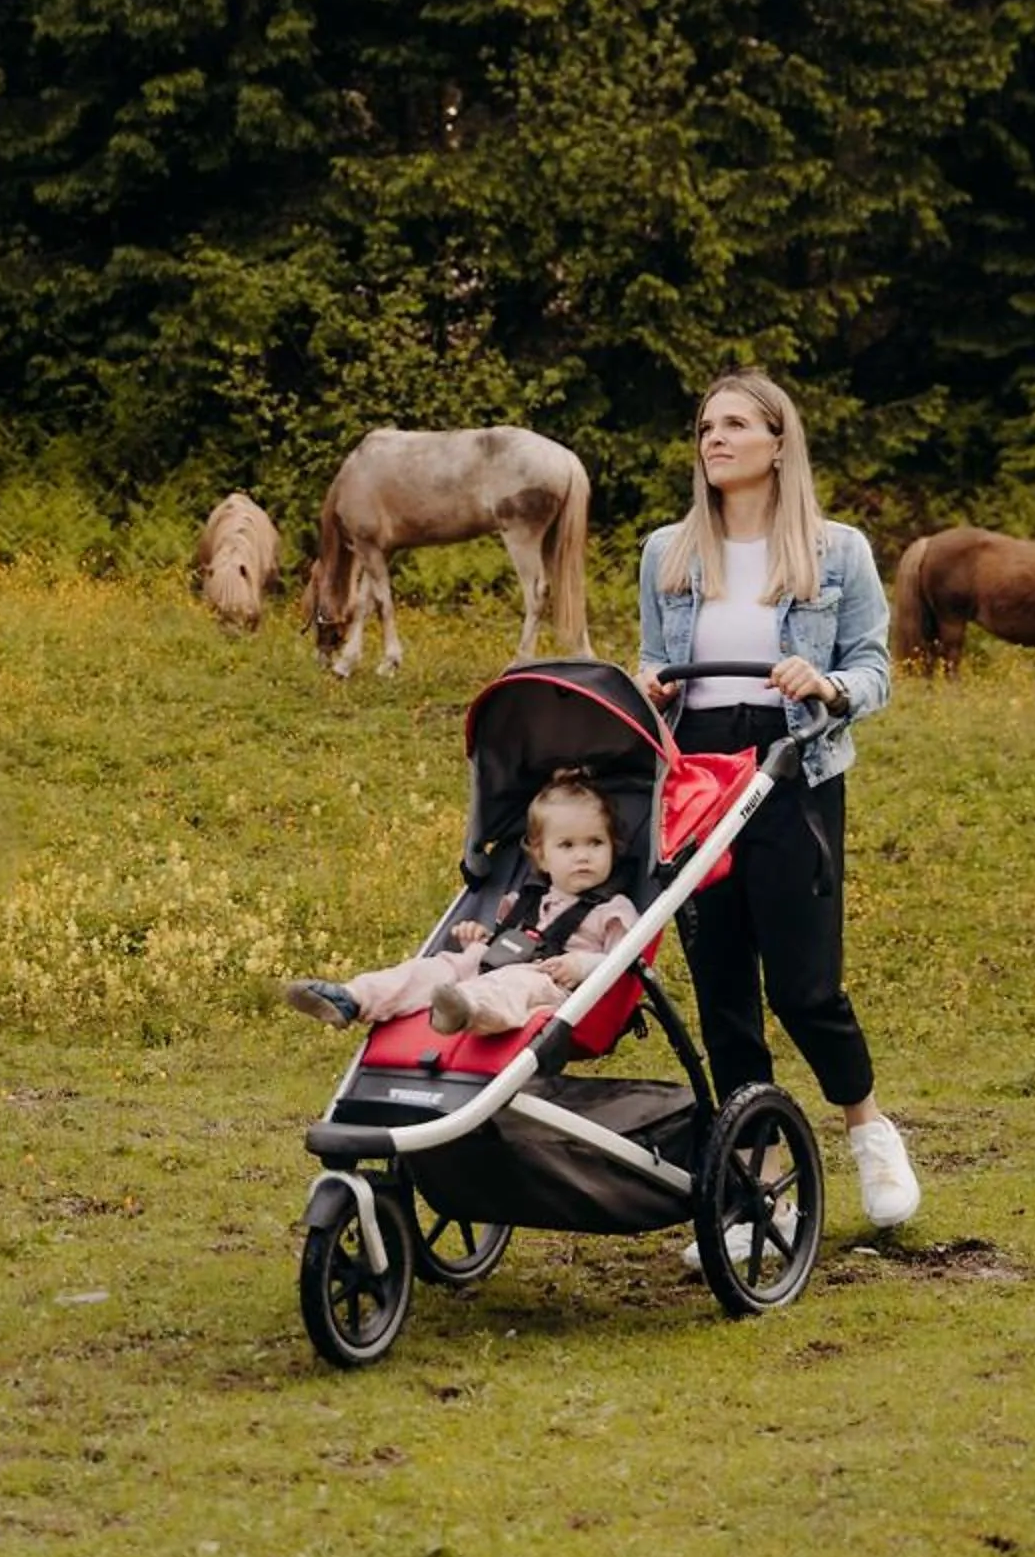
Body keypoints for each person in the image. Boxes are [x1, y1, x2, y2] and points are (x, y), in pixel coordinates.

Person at [636, 369, 918, 1255]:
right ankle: (760, 1197)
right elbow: (654, 656)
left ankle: (867, 1128)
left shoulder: (837, 553)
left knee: (804, 986)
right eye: (705, 427)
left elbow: (875, 669)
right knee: (723, 993)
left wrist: (827, 683)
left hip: (793, 769)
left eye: (733, 425)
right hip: (698, 778)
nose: (713, 439)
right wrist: (644, 686)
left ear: (777, 442)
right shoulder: (667, 553)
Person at [281, 771, 642, 1037]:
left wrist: (582, 964)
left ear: (613, 847)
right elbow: (506, 940)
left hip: (551, 989)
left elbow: (625, 962)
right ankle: (354, 997)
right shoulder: (526, 899)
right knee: (430, 970)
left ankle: (464, 1009)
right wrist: (479, 938)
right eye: (567, 846)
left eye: (595, 843)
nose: (583, 856)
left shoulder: (612, 909)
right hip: (486, 965)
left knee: (513, 984)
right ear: (541, 857)